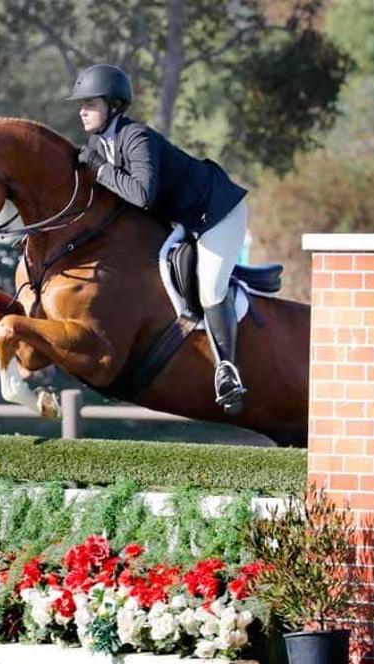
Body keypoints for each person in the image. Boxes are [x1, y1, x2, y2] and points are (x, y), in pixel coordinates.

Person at [68, 64, 250, 415]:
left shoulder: (137, 138)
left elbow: (141, 196)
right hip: (181, 217)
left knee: (210, 288)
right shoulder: (99, 143)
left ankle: (228, 371)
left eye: (90, 103)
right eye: (82, 103)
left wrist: (100, 170)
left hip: (217, 212)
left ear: (114, 106)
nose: (82, 110)